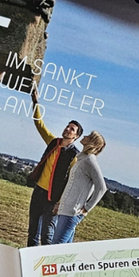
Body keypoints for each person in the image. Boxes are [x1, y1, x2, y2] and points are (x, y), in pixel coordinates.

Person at [25, 95, 82, 247]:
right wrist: (36, 103)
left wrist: (60, 203)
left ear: (76, 136)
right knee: (32, 233)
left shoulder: (74, 156)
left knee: (47, 236)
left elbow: (71, 183)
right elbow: (40, 125)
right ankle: (30, 262)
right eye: (67, 126)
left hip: (53, 199)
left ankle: (47, 266)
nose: (67, 129)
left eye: (72, 129)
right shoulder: (53, 142)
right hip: (38, 192)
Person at [51, 132, 107, 245]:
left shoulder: (90, 160)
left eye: (89, 136)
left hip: (72, 212)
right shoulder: (83, 159)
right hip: (66, 210)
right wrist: (60, 204)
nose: (85, 136)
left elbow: (102, 187)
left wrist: (86, 208)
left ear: (91, 142)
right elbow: (72, 185)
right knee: (65, 251)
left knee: (55, 249)